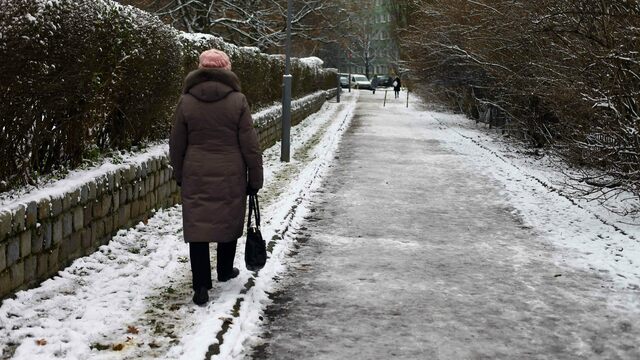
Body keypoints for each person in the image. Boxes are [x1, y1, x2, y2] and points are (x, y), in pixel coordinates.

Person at [170, 49, 263, 306]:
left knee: (197, 227)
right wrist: (255, 178)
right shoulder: (238, 101)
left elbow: (176, 143)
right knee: (227, 218)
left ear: (200, 69)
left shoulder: (186, 101)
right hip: (230, 171)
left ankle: (201, 284)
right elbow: (250, 145)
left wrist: (179, 173)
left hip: (195, 171)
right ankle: (224, 270)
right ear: (227, 70)